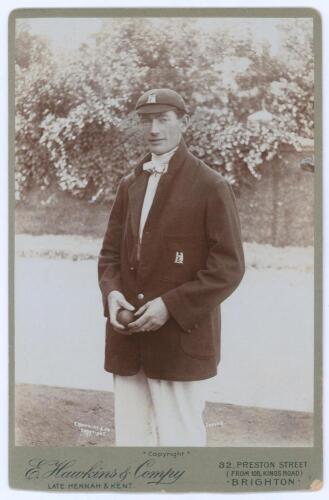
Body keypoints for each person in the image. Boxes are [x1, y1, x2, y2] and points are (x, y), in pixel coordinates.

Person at [98, 88, 245, 446]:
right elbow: (110, 256)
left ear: (184, 122)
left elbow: (228, 267)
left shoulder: (211, 185)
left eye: (163, 119)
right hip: (127, 341)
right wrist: (113, 294)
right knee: (131, 443)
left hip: (180, 343)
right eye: (146, 120)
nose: (154, 129)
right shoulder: (129, 184)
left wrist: (170, 306)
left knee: (181, 446)